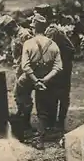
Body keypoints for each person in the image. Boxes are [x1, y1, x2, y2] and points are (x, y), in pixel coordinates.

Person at [19, 14, 63, 149]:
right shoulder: (53, 45)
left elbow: (25, 66)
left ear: (33, 28)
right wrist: (45, 79)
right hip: (46, 78)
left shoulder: (28, 43)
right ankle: (44, 133)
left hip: (31, 78)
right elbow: (59, 67)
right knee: (43, 105)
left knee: (20, 92)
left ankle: (24, 126)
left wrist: (35, 80)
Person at [36, 7, 76, 135]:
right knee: (52, 95)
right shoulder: (48, 31)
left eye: (37, 17)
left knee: (61, 95)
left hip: (62, 68)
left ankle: (59, 123)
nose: (34, 20)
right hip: (57, 67)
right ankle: (52, 124)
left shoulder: (53, 32)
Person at [0, 15, 33, 135]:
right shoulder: (15, 35)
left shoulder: (24, 35)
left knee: (22, 95)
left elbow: (33, 53)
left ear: (10, 27)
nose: (5, 33)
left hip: (26, 70)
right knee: (19, 96)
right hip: (20, 69)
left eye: (5, 30)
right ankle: (22, 117)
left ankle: (26, 123)